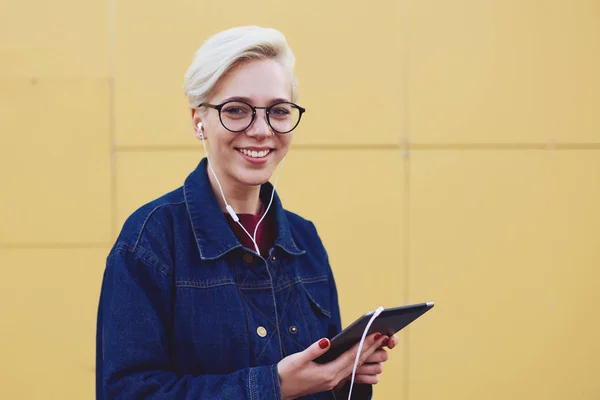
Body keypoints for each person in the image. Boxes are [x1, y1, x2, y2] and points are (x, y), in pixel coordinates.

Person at [96, 26, 398, 399]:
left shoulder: (305, 240)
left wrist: (345, 374)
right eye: (236, 110)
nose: (261, 130)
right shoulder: (150, 240)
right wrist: (274, 386)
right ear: (198, 121)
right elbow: (126, 393)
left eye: (278, 111)